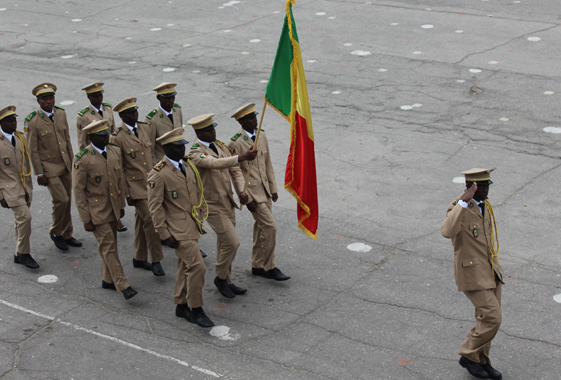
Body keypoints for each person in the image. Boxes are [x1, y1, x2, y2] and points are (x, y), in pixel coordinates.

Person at [147, 128, 214, 328]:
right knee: (197, 267)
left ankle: (180, 304)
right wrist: (164, 234)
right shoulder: (158, 174)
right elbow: (155, 207)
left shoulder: (187, 165)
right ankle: (196, 309)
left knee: (185, 266)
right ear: (166, 148)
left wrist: (200, 213)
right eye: (176, 147)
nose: (181, 149)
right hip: (176, 230)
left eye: (182, 145)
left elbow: (196, 190)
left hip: (191, 225)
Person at [441, 168, 504, 380]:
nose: (486, 190)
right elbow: (446, 231)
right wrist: (462, 202)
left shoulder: (484, 206)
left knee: (484, 318)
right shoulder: (459, 207)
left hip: (490, 271)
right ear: (470, 188)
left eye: (487, 186)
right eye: (481, 187)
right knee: (493, 318)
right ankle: (468, 355)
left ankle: (482, 360)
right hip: (472, 273)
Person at [187, 113, 257, 298]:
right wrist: (241, 157)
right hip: (211, 205)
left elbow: (235, 171)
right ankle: (220, 276)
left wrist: (242, 191)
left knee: (224, 243)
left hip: (227, 202)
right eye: (208, 130)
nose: (213, 132)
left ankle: (227, 280)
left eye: (213, 128)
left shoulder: (220, 147)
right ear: (199, 133)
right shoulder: (195, 152)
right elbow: (214, 163)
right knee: (232, 242)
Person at [72, 120, 137, 300]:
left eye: (107, 133)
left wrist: (121, 206)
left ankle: (107, 279)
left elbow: (119, 179)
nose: (106, 137)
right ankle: (123, 284)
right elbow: (78, 190)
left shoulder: (114, 151)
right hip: (96, 212)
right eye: (101, 135)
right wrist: (85, 219)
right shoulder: (82, 159)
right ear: (91, 137)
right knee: (108, 247)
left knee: (111, 245)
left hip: (113, 209)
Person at [228, 103, 289, 281]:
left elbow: (267, 163)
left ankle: (257, 264)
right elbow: (235, 172)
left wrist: (273, 188)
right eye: (250, 118)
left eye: (255, 117)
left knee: (260, 227)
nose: (255, 120)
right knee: (270, 227)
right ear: (241, 121)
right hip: (252, 194)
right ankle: (270, 267)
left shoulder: (261, 135)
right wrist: (245, 198)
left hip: (265, 190)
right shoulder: (235, 143)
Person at [25, 82, 82, 251]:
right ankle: (56, 232)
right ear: (38, 101)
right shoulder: (33, 121)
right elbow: (32, 150)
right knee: (61, 199)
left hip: (64, 164)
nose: (49, 101)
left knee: (68, 199)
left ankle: (67, 233)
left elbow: (67, 141)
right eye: (44, 99)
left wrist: (73, 163)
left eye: (51, 98)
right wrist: (39, 173)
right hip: (48, 168)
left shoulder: (60, 114)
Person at [111, 98, 164, 276]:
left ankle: (139, 257)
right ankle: (157, 260)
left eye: (135, 111)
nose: (135, 114)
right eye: (130, 113)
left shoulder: (145, 128)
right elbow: (120, 168)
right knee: (151, 220)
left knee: (143, 221)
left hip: (151, 182)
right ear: (122, 116)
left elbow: (152, 153)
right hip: (135, 187)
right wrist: (126, 193)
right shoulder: (117, 137)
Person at [76, 82, 126, 233]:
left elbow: (113, 131)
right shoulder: (83, 116)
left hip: (109, 152)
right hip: (94, 153)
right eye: (95, 96)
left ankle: (116, 217)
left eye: (100, 94)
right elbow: (82, 141)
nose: (98, 98)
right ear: (89, 97)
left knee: (113, 183)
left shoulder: (108, 108)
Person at [0, 106, 38, 269]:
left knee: (20, 220)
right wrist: (1, 196)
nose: (13, 124)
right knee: (25, 218)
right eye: (9, 121)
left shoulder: (19, 138)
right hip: (8, 189)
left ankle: (17, 253)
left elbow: (25, 162)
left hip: (23, 186)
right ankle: (24, 254)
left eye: (14, 120)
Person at [145, 82, 183, 164]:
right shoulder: (152, 119)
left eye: (172, 97)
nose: (171, 100)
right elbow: (150, 148)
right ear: (159, 98)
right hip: (164, 163)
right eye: (167, 98)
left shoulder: (177, 110)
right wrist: (156, 166)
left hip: (179, 160)